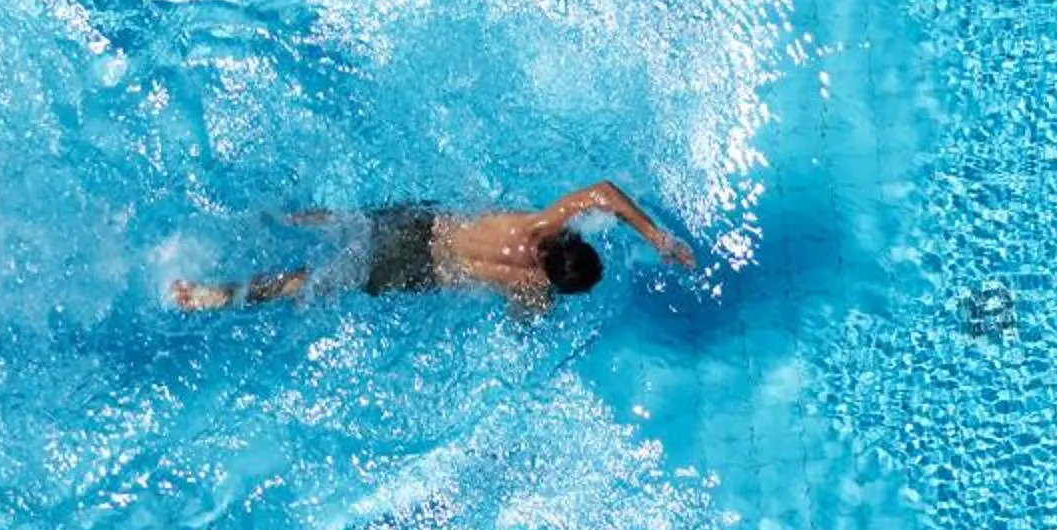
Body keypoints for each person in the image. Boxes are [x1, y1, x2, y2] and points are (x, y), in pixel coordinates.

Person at [170, 182, 696, 313]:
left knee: (335, 223)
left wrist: (656, 236)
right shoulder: (532, 289)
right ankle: (211, 295)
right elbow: (521, 327)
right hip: (419, 267)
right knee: (305, 284)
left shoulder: (538, 227)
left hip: (423, 226)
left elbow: (604, 193)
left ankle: (260, 218)